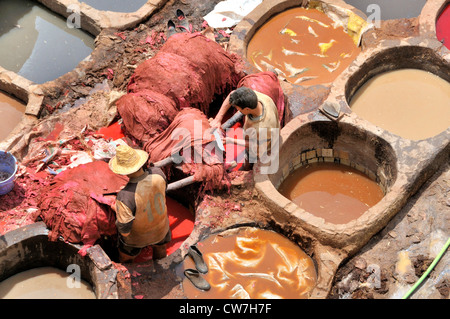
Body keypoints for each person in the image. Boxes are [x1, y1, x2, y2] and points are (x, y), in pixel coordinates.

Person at [108, 144, 171, 263]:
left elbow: (125, 232)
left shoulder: (125, 196)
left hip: (137, 239)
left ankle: (129, 269)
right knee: (161, 249)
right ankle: (161, 264)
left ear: (122, 171)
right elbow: (161, 190)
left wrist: (116, 208)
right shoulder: (158, 173)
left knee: (125, 257)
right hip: (161, 230)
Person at [209, 87, 280, 170]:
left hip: (262, 146)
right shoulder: (256, 97)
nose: (236, 109)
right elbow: (233, 94)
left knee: (250, 159)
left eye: (237, 108)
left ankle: (246, 168)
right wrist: (218, 119)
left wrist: (231, 140)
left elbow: (257, 146)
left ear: (247, 109)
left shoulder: (263, 127)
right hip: (255, 133)